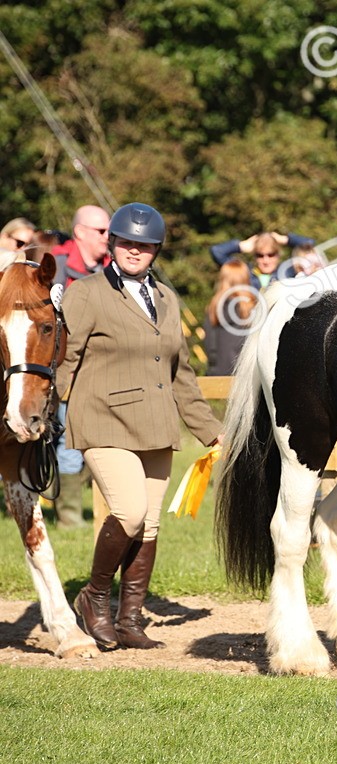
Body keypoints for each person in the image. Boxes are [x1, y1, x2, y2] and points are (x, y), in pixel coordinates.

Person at [62, 202, 223, 650]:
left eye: (145, 245)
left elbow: (181, 373)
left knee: (148, 525)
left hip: (156, 424)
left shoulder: (168, 299)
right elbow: (65, 358)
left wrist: (211, 430)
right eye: (128, 242)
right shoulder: (87, 292)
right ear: (112, 244)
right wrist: (41, 413)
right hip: (102, 417)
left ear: (156, 250)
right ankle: (94, 597)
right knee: (129, 511)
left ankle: (130, 618)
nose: (136, 251)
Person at [50, 204, 114, 528]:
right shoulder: (56, 267)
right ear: (80, 232)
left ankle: (111, 510)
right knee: (68, 441)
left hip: (107, 371)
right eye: (101, 231)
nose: (108, 237)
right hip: (66, 369)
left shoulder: (112, 268)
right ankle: (70, 518)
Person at [203, 258, 258, 377]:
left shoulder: (214, 307)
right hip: (244, 374)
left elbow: (209, 342)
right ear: (245, 279)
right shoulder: (252, 309)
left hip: (217, 372)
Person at [209, 230, 315, 288]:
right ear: (254, 256)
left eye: (271, 254)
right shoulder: (245, 273)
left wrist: (285, 239)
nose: (266, 260)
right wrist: (241, 246)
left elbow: (309, 244)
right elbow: (217, 252)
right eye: (260, 255)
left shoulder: (288, 271)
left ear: (278, 254)